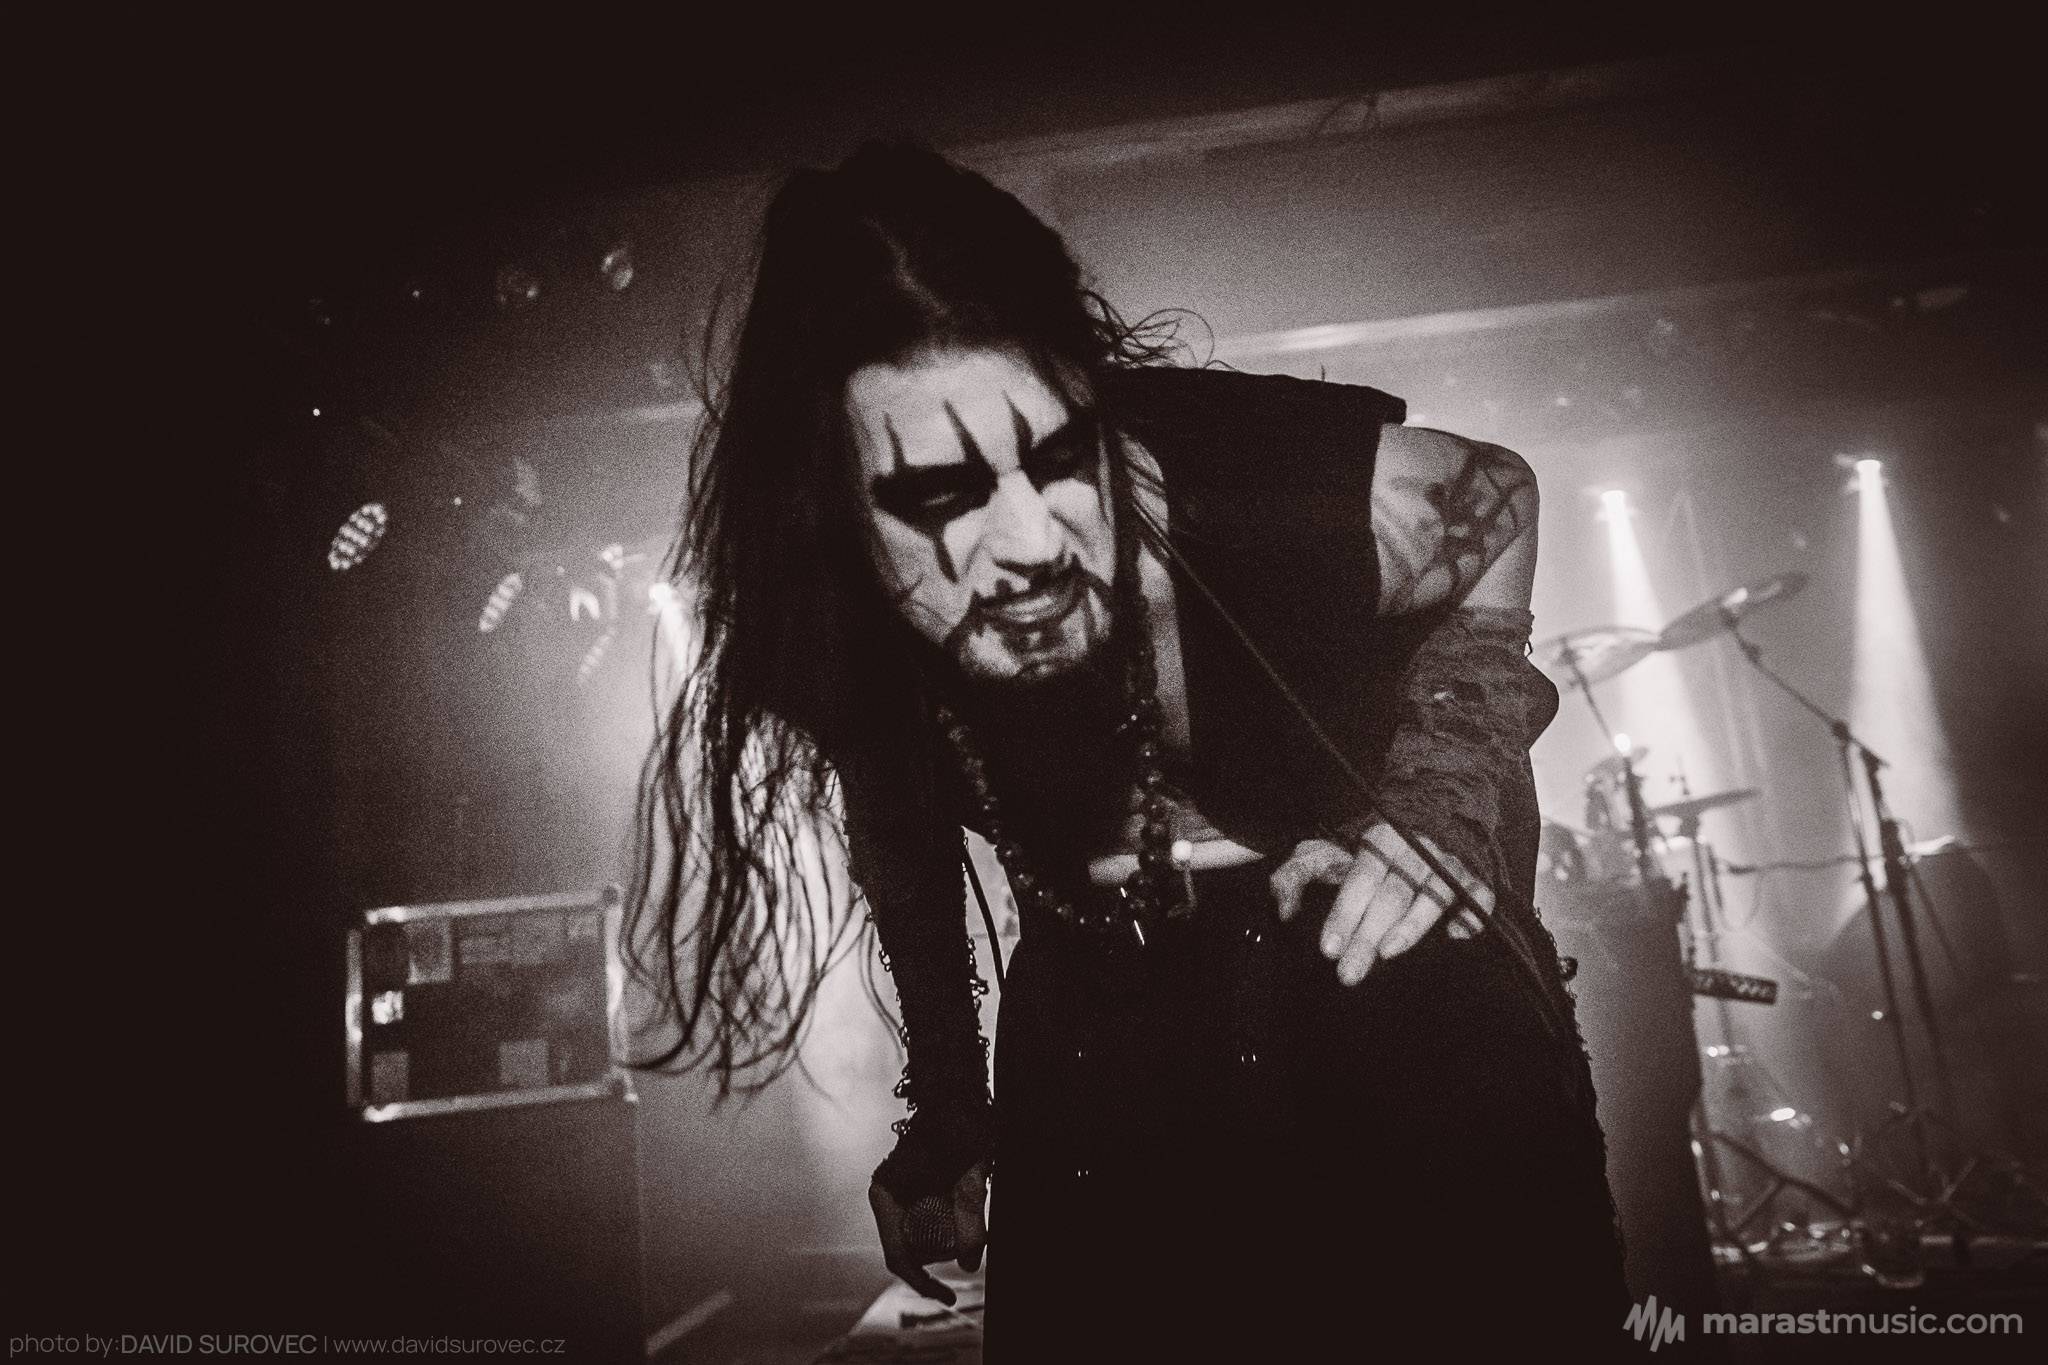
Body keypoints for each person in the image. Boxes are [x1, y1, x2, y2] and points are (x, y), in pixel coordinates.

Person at [628, 140, 1630, 1359]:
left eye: (1059, 458)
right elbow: (898, 830)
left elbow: (1500, 493)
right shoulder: (823, 618)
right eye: (938, 495)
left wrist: (1439, 798)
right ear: (830, 493)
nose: (1027, 543)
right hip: (1101, 1044)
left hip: (1395, 1001)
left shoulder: (1265, 489)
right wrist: (948, 1108)